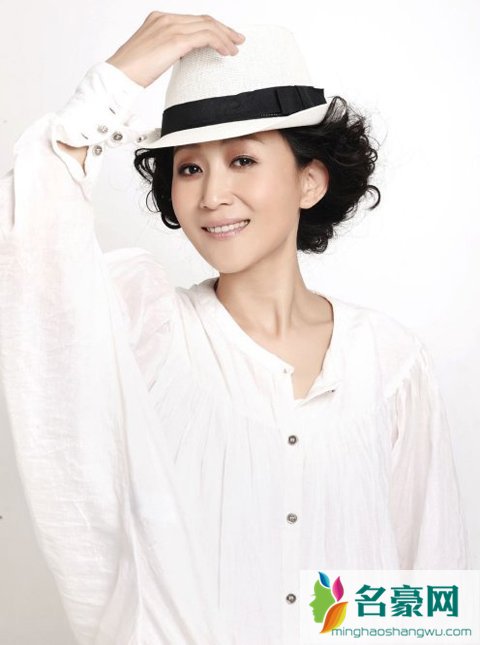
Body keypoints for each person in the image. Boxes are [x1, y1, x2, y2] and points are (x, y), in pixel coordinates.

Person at [0, 11, 469, 645]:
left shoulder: (390, 363)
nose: (212, 195)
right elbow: (28, 259)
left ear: (309, 181)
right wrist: (114, 81)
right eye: (189, 168)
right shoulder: (146, 331)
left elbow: (430, 585)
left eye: (242, 159)